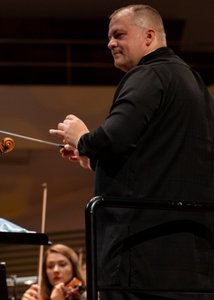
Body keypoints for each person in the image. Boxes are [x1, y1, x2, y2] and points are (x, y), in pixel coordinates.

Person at [49, 4, 214, 300]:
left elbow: (113, 138)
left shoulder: (147, 75)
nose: (110, 43)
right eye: (109, 37)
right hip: (191, 256)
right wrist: (94, 160)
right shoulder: (195, 83)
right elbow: (160, 157)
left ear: (149, 36)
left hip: (140, 254)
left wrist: (83, 139)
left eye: (119, 34)